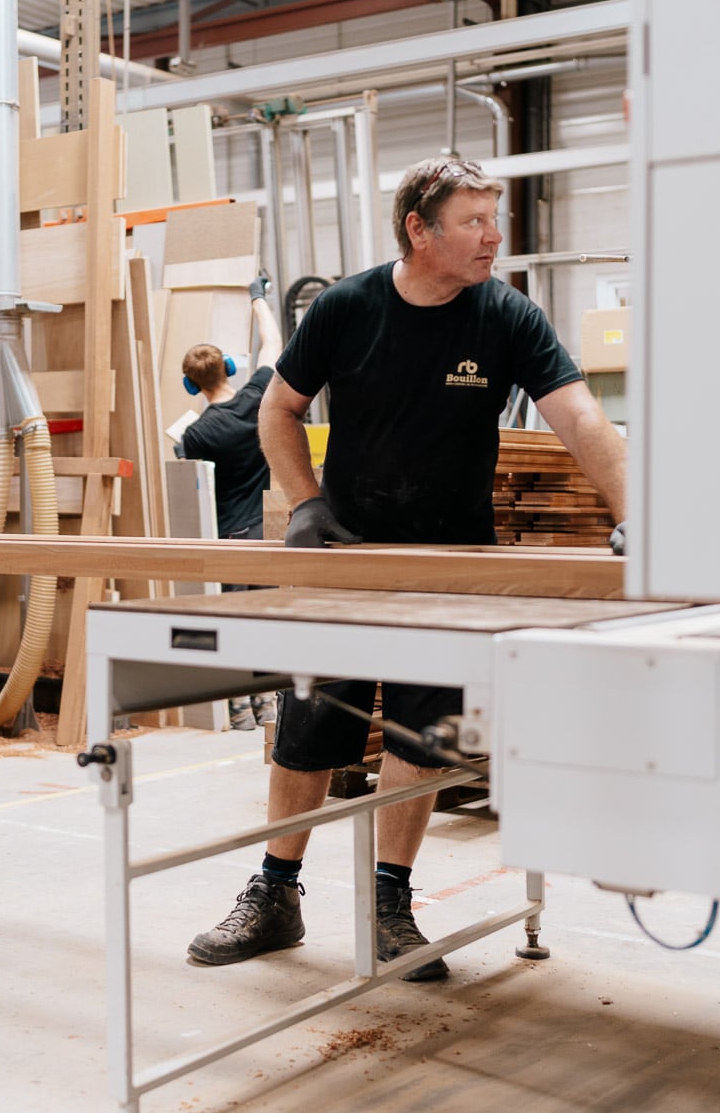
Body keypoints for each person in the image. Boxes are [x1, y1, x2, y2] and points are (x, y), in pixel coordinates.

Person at [187, 158, 628, 979]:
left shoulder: (506, 316)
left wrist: (638, 514)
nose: (493, 236)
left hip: (452, 565)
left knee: (422, 737)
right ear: (418, 230)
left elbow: (580, 417)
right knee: (311, 726)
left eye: (493, 219)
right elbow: (280, 409)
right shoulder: (348, 308)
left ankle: (391, 903)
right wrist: (307, 503)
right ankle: (275, 893)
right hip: (349, 559)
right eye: (473, 221)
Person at [177, 274, 285, 731]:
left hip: (228, 537)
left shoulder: (195, 433)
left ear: (190, 386)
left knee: (233, 623)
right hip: (265, 534)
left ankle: (239, 710)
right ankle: (270, 707)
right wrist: (257, 297)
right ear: (230, 369)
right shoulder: (258, 398)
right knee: (263, 620)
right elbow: (273, 342)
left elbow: (189, 487)